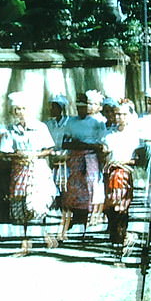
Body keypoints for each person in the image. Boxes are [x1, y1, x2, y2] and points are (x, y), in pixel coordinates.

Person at [0, 91, 57, 254]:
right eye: (17, 109)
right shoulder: (10, 130)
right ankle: (25, 241)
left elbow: (49, 149)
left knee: (39, 202)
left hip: (37, 167)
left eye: (23, 108)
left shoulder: (40, 127)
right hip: (19, 169)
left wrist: (34, 155)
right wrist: (16, 155)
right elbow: (5, 151)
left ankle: (45, 233)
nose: (20, 112)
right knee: (21, 203)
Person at [60, 91, 107, 240]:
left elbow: (101, 144)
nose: (81, 110)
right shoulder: (71, 122)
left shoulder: (97, 122)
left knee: (90, 187)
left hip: (90, 158)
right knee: (74, 188)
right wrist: (77, 144)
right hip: (74, 158)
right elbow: (65, 141)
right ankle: (76, 219)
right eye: (79, 107)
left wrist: (83, 144)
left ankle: (89, 220)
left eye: (84, 107)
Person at [102, 101, 142, 260]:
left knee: (121, 210)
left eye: (124, 114)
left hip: (124, 174)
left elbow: (138, 159)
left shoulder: (134, 135)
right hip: (109, 174)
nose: (120, 117)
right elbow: (104, 156)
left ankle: (121, 241)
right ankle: (115, 241)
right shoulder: (108, 135)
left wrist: (123, 163)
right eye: (117, 114)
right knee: (110, 209)